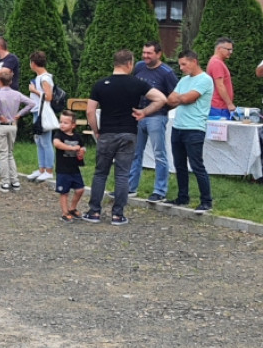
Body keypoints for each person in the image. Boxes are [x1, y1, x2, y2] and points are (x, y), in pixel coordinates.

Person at [83, 50, 167, 225]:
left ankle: (94, 212)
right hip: (128, 133)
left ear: (114, 63)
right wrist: (144, 112)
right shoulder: (137, 83)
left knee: (100, 173)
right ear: (129, 64)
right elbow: (161, 99)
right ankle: (117, 214)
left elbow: (90, 111)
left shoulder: (100, 85)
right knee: (122, 175)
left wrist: (96, 130)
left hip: (107, 132)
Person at [165, 50, 215, 213]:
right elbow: (170, 99)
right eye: (180, 64)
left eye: (184, 64)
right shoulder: (184, 80)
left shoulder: (205, 80)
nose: (181, 68)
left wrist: (180, 98)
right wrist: (180, 98)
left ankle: (206, 200)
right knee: (179, 164)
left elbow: (187, 99)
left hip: (194, 127)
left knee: (196, 165)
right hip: (178, 126)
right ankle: (182, 196)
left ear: (194, 61)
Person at [129, 42, 178, 202]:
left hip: (156, 116)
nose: (145, 56)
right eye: (144, 53)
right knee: (135, 153)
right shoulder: (139, 67)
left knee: (159, 154)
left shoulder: (167, 73)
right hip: (138, 115)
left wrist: (163, 109)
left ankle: (160, 190)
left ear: (159, 54)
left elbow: (175, 97)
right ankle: (130, 188)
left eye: (149, 53)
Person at [0, 68, 34, 191]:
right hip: (12, 125)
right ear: (10, 82)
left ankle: (5, 182)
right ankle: (15, 181)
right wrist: (20, 113)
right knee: (10, 153)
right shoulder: (17, 94)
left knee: (2, 154)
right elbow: (31, 103)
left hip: (1, 126)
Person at [26, 51, 57, 183]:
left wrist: (34, 91)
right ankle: (42, 168)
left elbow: (49, 97)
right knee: (39, 141)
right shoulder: (40, 77)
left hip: (42, 112)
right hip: (37, 111)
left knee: (45, 141)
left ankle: (49, 170)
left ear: (33, 63)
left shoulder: (45, 78)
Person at [53, 111, 87, 221]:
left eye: (65, 123)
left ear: (73, 125)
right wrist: (71, 148)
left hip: (74, 169)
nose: (62, 124)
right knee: (64, 192)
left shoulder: (77, 136)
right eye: (61, 122)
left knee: (80, 190)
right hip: (62, 169)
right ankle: (65, 212)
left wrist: (82, 151)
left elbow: (83, 147)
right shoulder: (59, 134)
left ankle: (72, 208)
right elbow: (57, 143)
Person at [207, 37, 235, 119]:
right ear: (219, 49)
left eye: (231, 50)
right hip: (218, 107)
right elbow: (220, 85)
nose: (230, 52)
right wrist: (229, 104)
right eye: (228, 49)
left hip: (218, 107)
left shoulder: (216, 61)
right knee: (218, 132)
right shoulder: (217, 63)